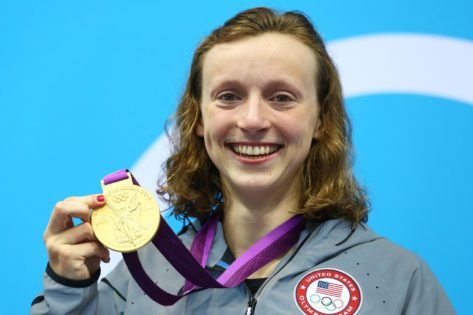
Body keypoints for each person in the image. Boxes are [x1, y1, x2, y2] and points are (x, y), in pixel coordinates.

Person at [30, 7, 455, 315]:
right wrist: (70, 287)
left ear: (321, 120)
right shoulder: (145, 277)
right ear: (198, 118)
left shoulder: (396, 280)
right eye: (228, 96)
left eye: (281, 97)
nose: (252, 120)